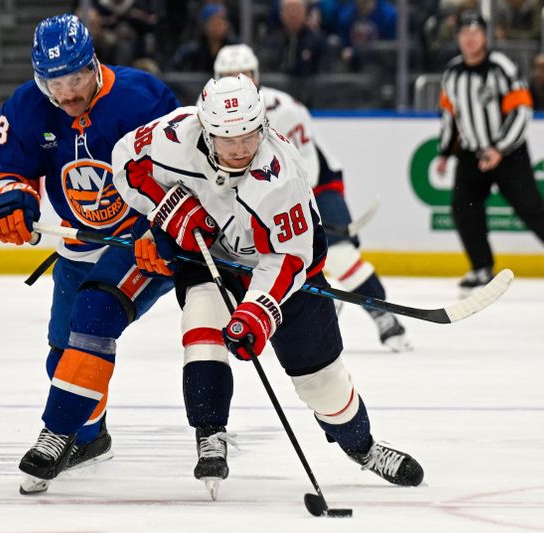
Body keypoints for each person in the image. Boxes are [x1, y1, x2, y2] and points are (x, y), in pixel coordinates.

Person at [111, 74, 424, 496]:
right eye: (228, 139)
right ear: (205, 129)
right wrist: (169, 208)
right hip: (211, 256)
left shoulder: (282, 176)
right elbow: (126, 161)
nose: (241, 149)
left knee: (321, 382)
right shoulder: (173, 135)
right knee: (202, 323)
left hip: (282, 271)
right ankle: (210, 432)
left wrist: (256, 312)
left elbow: (288, 258)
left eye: (249, 136)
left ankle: (363, 448)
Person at [0, 13, 179, 495]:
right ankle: (89, 438)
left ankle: (57, 432)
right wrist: (12, 200)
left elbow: (185, 175)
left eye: (75, 79)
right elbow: (6, 170)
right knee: (60, 354)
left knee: (91, 322)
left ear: (94, 64)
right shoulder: (28, 107)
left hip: (144, 244)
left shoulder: (144, 98)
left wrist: (163, 227)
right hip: (79, 244)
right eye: (54, 84)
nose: (67, 95)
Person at [213, 43, 411, 351]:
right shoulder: (208, 114)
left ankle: (384, 316)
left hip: (316, 186)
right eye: (229, 75)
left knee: (341, 255)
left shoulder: (285, 108)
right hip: (256, 196)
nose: (237, 82)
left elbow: (307, 167)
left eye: (244, 74)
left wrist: (288, 206)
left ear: (257, 76)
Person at [436, 10, 544, 294]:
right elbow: (450, 116)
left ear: (484, 36)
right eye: (464, 34)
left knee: (529, 206)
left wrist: (500, 148)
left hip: (509, 152)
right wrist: (444, 152)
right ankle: (481, 267)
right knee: (463, 207)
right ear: (458, 38)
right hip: (471, 153)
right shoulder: (452, 73)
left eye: (475, 33)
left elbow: (521, 110)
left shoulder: (500, 67)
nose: (470, 39)